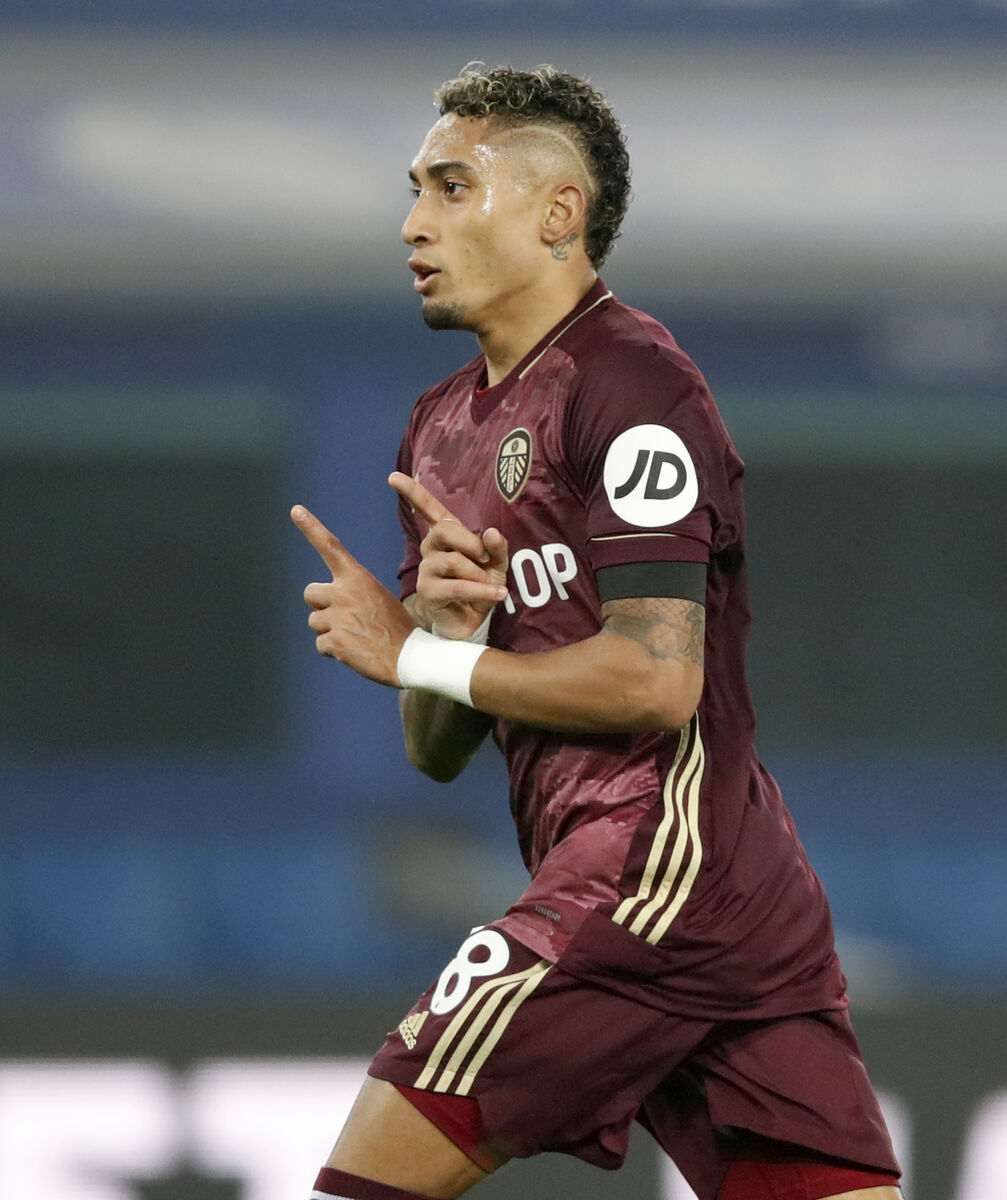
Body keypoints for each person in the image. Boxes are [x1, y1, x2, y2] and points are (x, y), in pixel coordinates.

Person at [293, 63, 903, 1200]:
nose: (411, 222)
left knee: (363, 1177)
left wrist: (413, 650)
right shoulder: (438, 429)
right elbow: (436, 750)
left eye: (448, 187)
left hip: (650, 870)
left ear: (555, 214)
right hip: (719, 898)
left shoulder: (631, 385)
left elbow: (654, 683)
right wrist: (454, 628)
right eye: (413, 190)